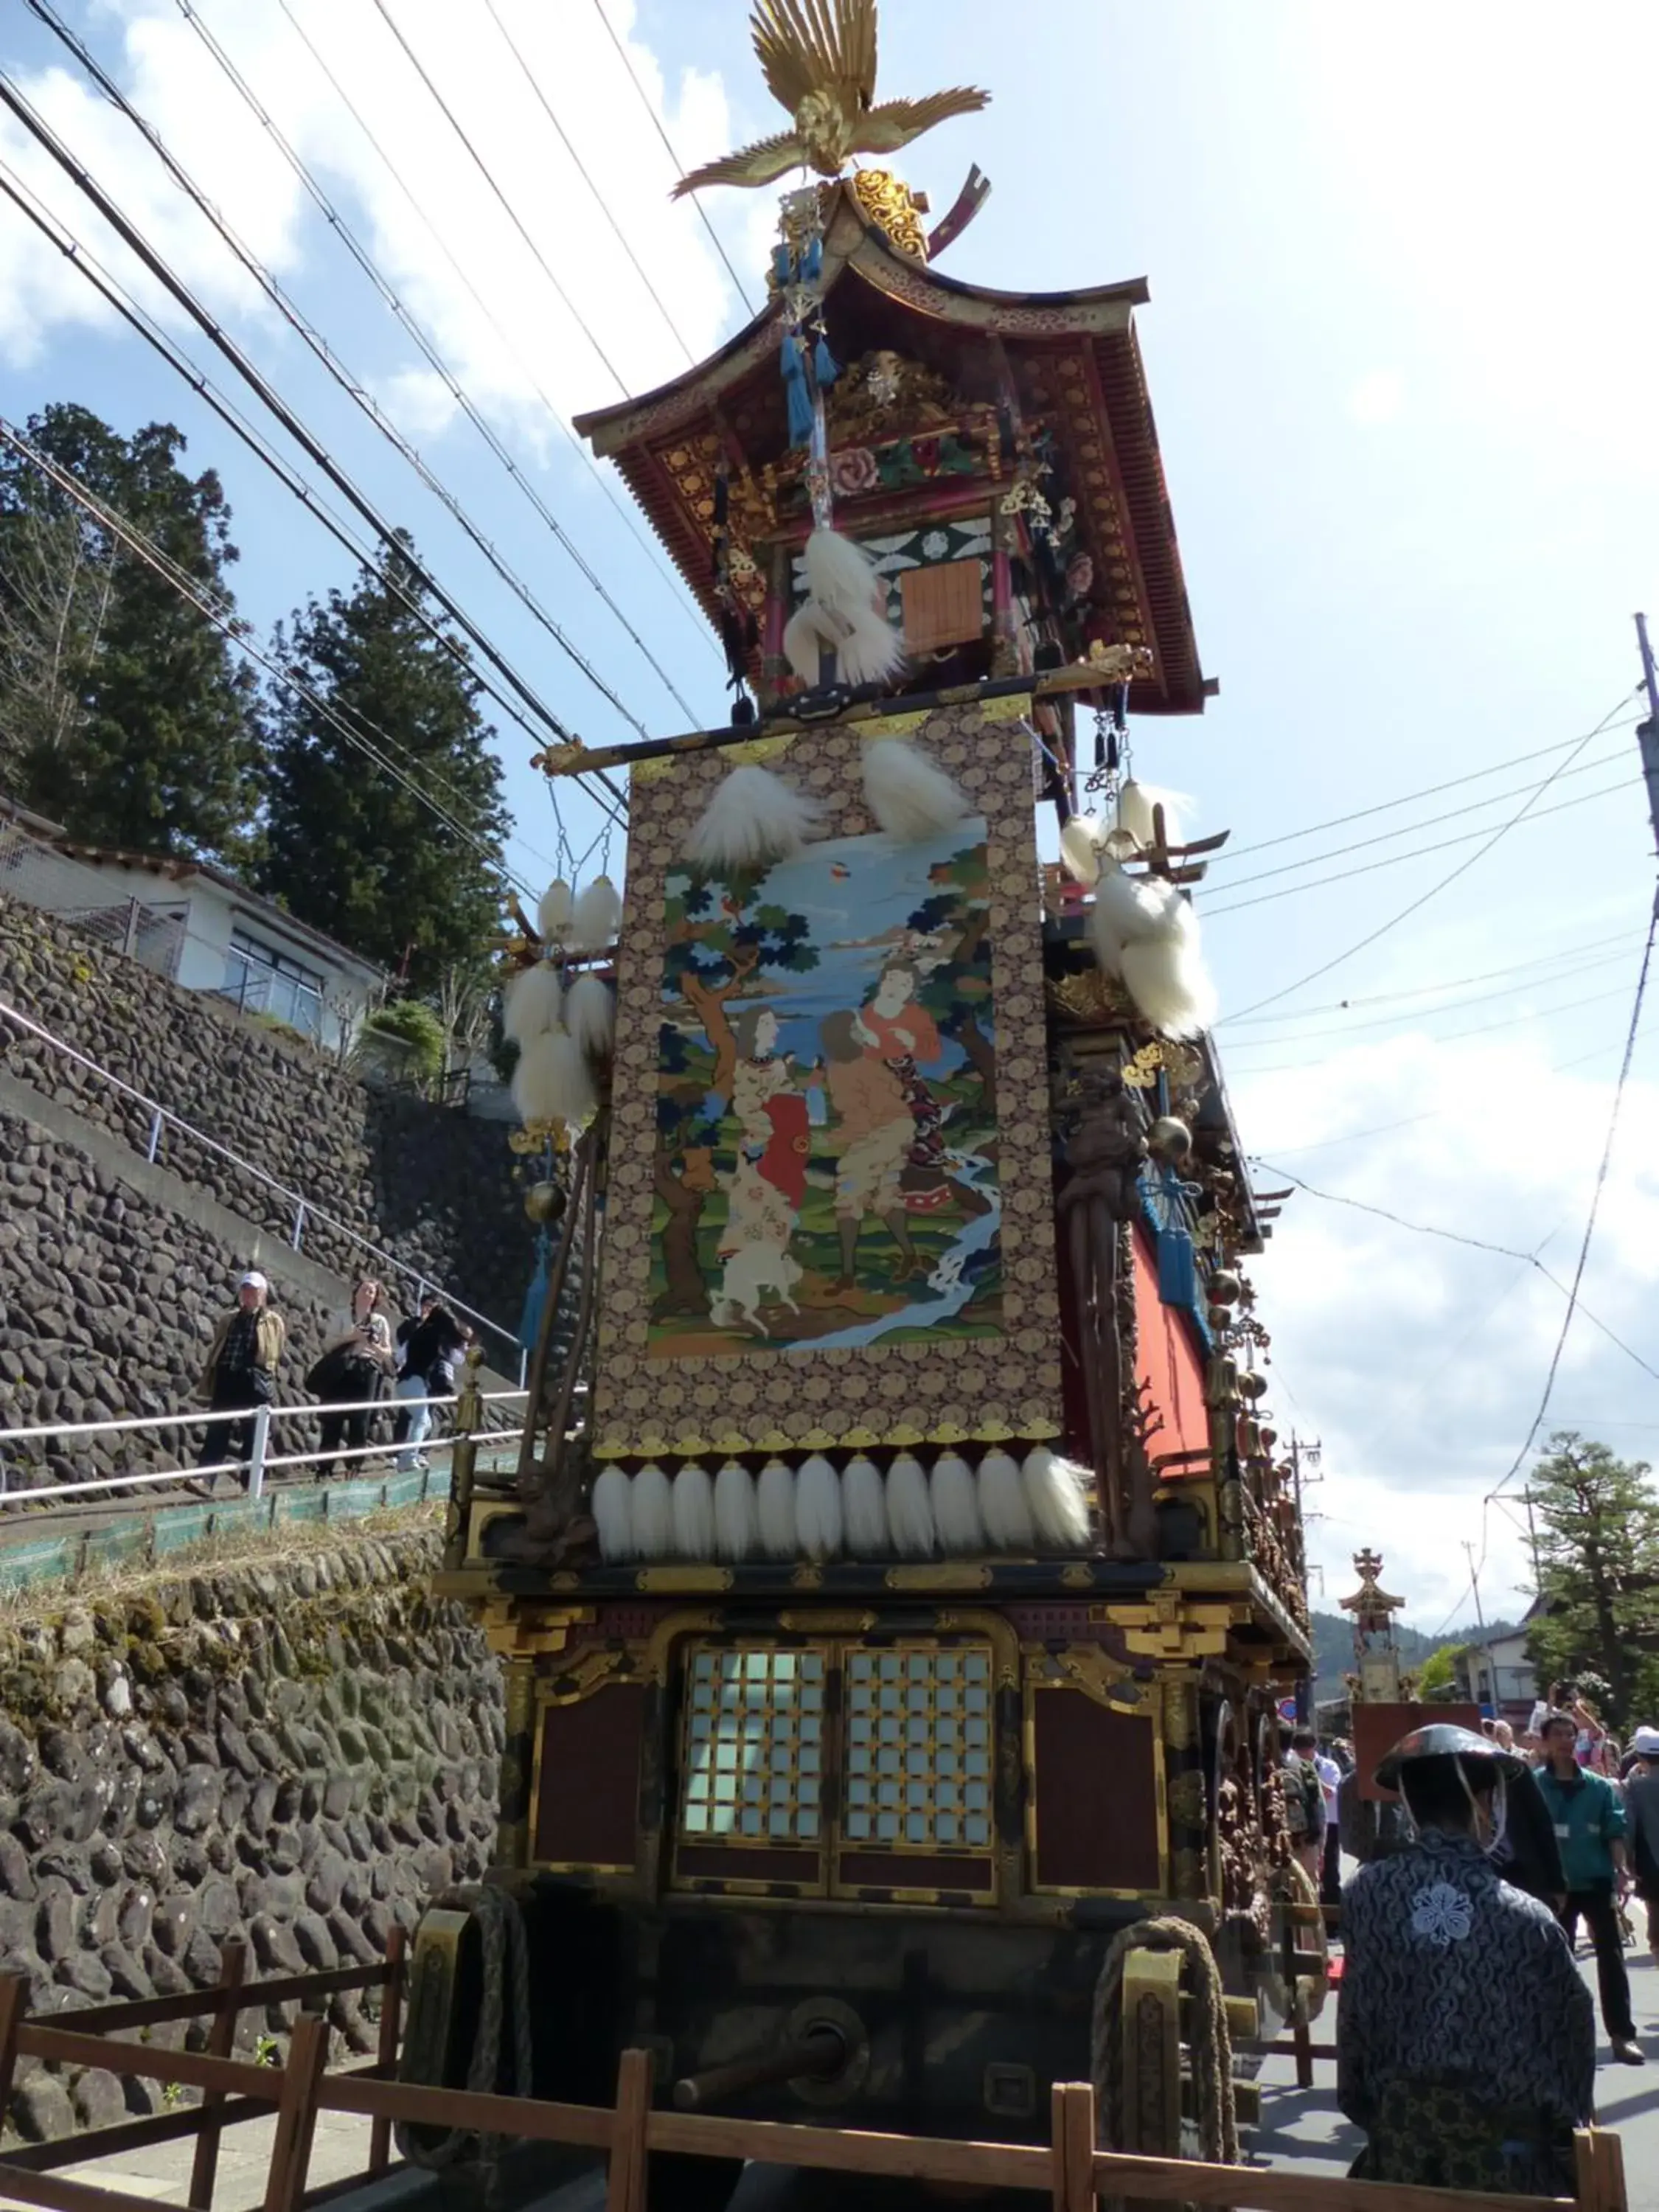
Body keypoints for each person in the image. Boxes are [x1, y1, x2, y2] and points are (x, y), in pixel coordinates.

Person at [1338, 1724, 1594, 2194]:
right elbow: (1570, 2040)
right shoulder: (1528, 1918)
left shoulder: (1364, 1894)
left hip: (1400, 2155)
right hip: (1506, 2170)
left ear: (1410, 1803)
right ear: (1484, 1801)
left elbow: (1356, 2023)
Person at [1534, 1708, 1644, 2063]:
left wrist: (1622, 1869)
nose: (1567, 1741)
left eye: (1571, 1734)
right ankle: (1559, 2038)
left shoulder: (1598, 1787)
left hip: (1595, 1881)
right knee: (1555, 1963)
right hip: (1554, 1888)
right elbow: (1526, 1835)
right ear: (1545, 1742)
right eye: (1559, 1735)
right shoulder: (1533, 1787)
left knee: (1611, 1959)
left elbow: (1614, 1829)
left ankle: (1622, 2035)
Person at [192, 1270, 285, 1490]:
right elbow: (219, 1346)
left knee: (253, 1435)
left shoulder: (273, 1321)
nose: (249, 1295)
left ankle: (249, 1484)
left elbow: (275, 1351)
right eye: (245, 1290)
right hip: (227, 1378)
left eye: (254, 1291)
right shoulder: (229, 1319)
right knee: (217, 1430)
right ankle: (204, 1480)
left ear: (263, 1294)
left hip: (253, 1381)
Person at [310, 1277, 394, 1479]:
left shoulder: (379, 1322)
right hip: (342, 1370)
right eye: (364, 1290)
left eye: (371, 1292)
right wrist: (352, 1336)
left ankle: (353, 1469)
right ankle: (324, 1470)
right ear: (355, 1293)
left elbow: (387, 1352)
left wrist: (372, 1344)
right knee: (333, 1421)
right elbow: (328, 1344)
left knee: (360, 1424)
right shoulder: (341, 1316)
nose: (367, 1294)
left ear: (376, 1298)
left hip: (366, 1372)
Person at [392, 1292, 467, 1472]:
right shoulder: (431, 1334)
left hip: (411, 1382)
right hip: (413, 1381)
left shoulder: (424, 1332)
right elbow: (455, 1350)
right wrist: (460, 1340)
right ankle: (407, 1458)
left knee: (425, 1421)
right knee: (422, 1420)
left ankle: (407, 1456)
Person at [1621, 1725, 1659, 1969]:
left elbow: (1628, 1826)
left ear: (1639, 1757)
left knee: (1655, 1913)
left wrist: (1626, 1862)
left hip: (1651, 1859)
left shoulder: (1633, 1787)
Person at [1284, 1727, 1326, 1887]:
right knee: (1308, 1889)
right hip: (1307, 1843)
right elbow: (1321, 1812)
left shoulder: (1272, 1766)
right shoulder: (1307, 1769)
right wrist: (1321, 1848)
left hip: (1282, 1843)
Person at [1315, 1737, 1343, 1905]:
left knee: (1330, 1868)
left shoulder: (1329, 1767)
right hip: (1311, 1823)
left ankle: (1333, 1911)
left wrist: (1311, 1778)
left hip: (1331, 1823)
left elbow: (1331, 1792)